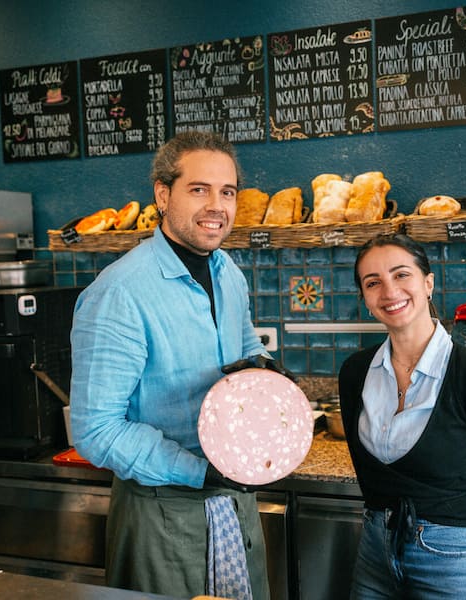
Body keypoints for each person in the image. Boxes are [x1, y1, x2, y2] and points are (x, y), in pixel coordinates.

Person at [70, 131, 279, 599]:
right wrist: (198, 472)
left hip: (235, 502)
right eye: (199, 189)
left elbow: (244, 341)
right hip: (161, 512)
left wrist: (262, 369)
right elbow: (96, 430)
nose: (217, 206)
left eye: (227, 192)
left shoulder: (227, 272)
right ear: (163, 195)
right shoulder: (120, 292)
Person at [338, 233, 466, 599]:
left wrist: (457, 530)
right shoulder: (355, 372)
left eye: (401, 275)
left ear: (428, 283)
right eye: (373, 283)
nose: (389, 291)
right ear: (364, 298)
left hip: (455, 559)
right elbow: (370, 476)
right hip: (375, 550)